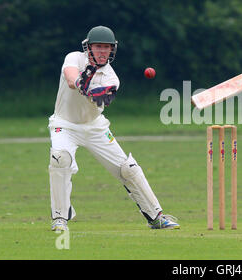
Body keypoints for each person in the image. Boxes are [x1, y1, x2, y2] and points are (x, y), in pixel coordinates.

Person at [48, 25, 180, 231]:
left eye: (107, 47)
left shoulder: (111, 77)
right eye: (98, 46)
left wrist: (91, 89)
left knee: (128, 169)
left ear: (112, 50)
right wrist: (79, 81)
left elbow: (103, 97)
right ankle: (59, 218)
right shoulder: (74, 57)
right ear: (88, 48)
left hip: (95, 128)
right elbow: (70, 76)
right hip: (65, 125)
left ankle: (156, 217)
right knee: (60, 159)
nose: (102, 51)